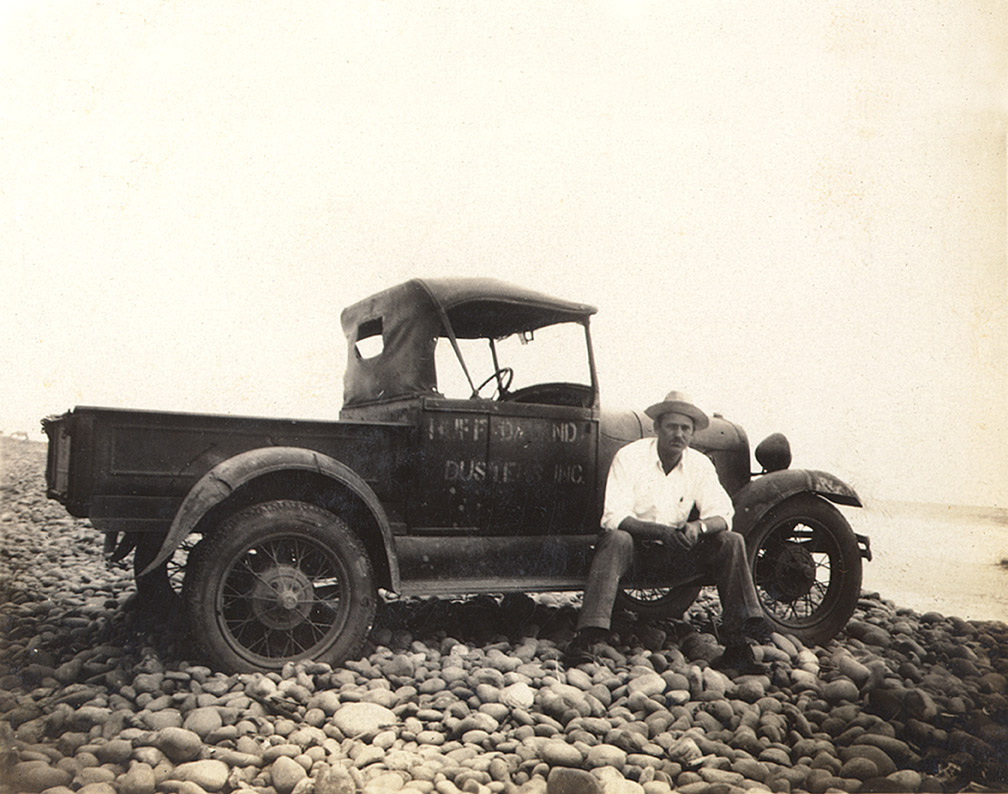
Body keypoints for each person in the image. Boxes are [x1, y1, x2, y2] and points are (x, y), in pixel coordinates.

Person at [565, 390, 770, 672]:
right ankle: (586, 638)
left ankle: (739, 645)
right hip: (635, 554)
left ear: (693, 434)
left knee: (731, 541)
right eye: (672, 426)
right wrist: (659, 532)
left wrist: (698, 527)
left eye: (686, 428)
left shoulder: (699, 464)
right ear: (656, 427)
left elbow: (724, 514)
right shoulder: (630, 457)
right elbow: (613, 517)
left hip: (678, 553)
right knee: (616, 538)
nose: (678, 434)